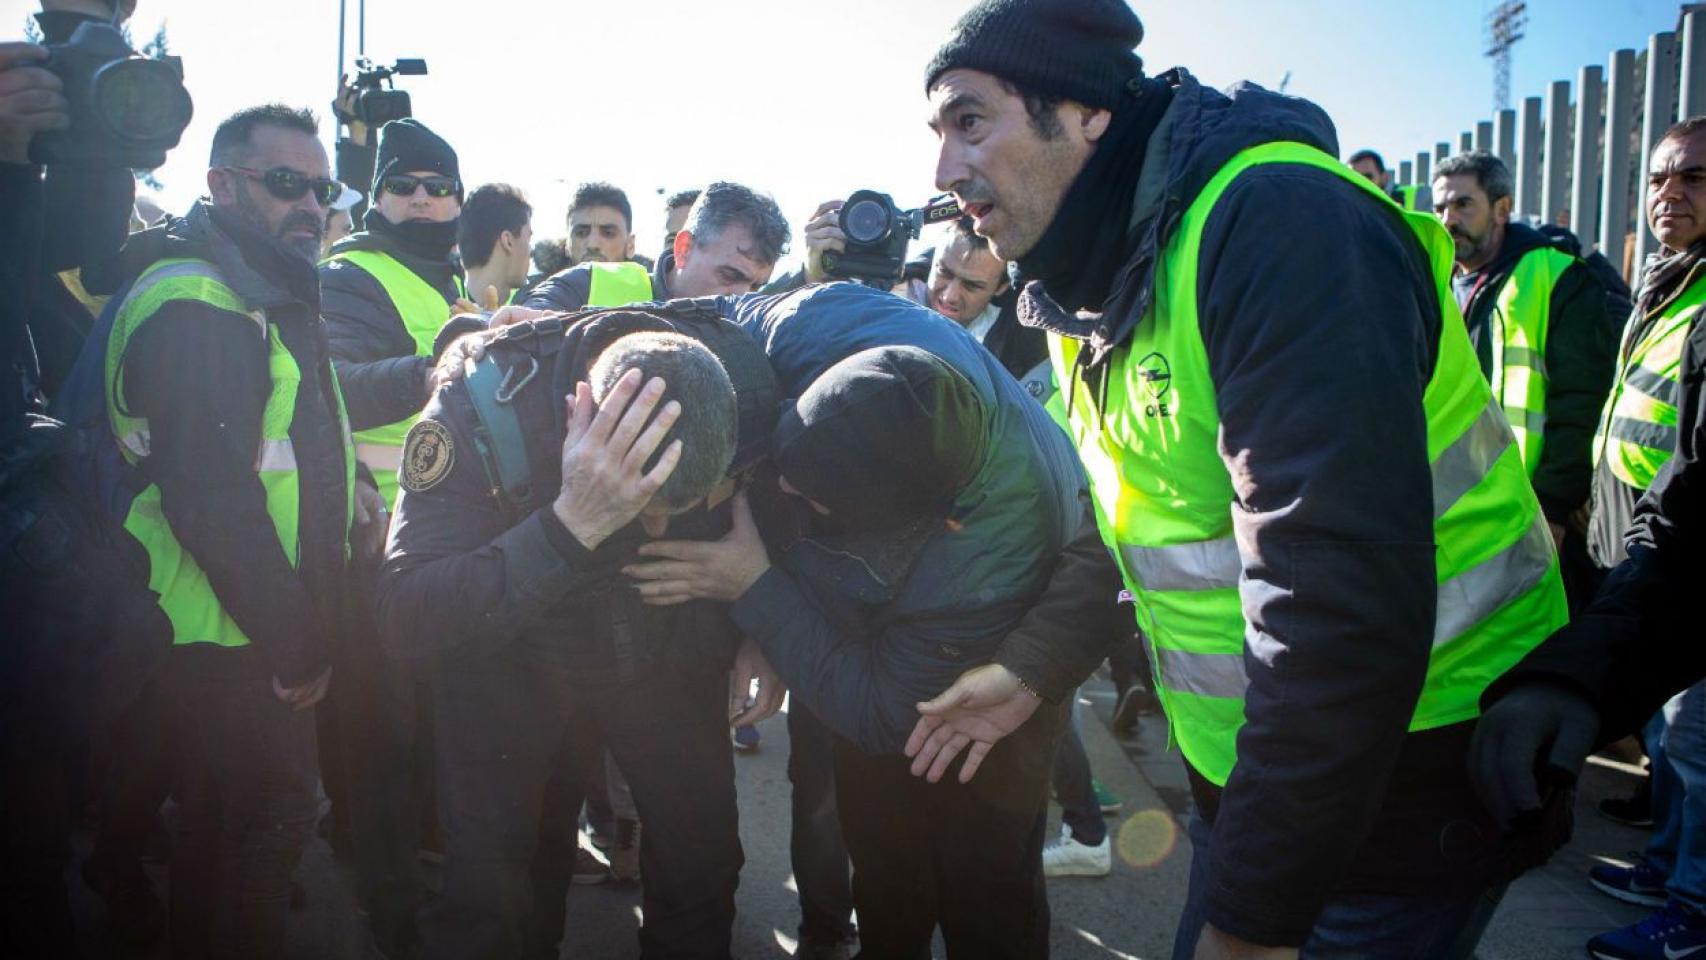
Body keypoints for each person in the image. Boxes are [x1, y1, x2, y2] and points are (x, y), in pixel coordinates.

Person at [911, 1, 1569, 957]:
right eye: (936, 133)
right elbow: (1137, 528)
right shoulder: (1091, 280)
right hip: (1270, 781)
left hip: (1405, 778)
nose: (944, 170)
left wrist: (1255, 922)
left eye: (970, 120)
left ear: (1087, 110)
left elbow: (1332, 601)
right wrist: (1034, 671)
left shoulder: (1278, 221)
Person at [627, 281, 1123, 958]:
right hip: (881, 640)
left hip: (986, 690)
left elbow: (884, 714)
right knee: (886, 872)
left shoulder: (978, 555)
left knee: (987, 892)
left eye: (813, 495)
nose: (782, 487)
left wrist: (756, 589)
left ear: (900, 521)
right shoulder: (814, 324)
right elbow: (717, 326)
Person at [377, 301, 783, 959]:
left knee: (703, 856)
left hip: (665, 643)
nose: (656, 527)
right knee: (497, 882)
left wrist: (760, 612)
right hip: (513, 653)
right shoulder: (480, 408)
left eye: (683, 508)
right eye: (642, 502)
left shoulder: (750, 387)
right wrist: (569, 526)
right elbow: (406, 617)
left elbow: (792, 511)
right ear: (582, 424)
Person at [92, 102, 378, 959]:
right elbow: (210, 496)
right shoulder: (200, 300)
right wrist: (298, 643)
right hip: (224, 633)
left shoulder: (258, 287)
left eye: (321, 189)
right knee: (263, 824)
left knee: (220, 825)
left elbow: (296, 429)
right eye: (284, 183)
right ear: (222, 184)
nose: (310, 206)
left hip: (237, 625)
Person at [1470, 116, 1706, 960]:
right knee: (1676, 739)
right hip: (1640, 548)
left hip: (1678, 556)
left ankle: (1693, 907)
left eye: (1693, 180)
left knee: (1697, 741)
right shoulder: (1667, 284)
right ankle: (1673, 867)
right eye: (1658, 179)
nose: (1668, 195)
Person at [1435, 151, 1617, 607]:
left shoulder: (1557, 275)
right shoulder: (1440, 281)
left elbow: (1581, 401)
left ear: (1502, 208)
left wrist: (1554, 506)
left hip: (1536, 512)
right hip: (1466, 515)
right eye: (1439, 207)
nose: (1447, 220)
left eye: (1462, 205)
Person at [321, 116, 468, 506]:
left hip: (443, 515)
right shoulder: (347, 275)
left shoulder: (447, 279)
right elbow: (328, 386)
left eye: (438, 187)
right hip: (378, 520)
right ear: (378, 198)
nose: (421, 198)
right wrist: (429, 375)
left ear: (458, 202)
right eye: (402, 186)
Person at [526, 180, 787, 311]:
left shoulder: (755, 328)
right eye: (730, 275)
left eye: (755, 287)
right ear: (683, 248)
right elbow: (527, 322)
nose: (743, 299)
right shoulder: (588, 284)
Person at [458, 182, 534, 309]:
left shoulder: (443, 306)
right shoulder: (532, 312)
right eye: (528, 238)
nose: (531, 250)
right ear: (508, 241)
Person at [1349, 147, 1426, 211]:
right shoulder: (1346, 211)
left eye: (1368, 178)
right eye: (1354, 179)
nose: (1361, 184)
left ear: (1384, 177)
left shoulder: (1417, 198)